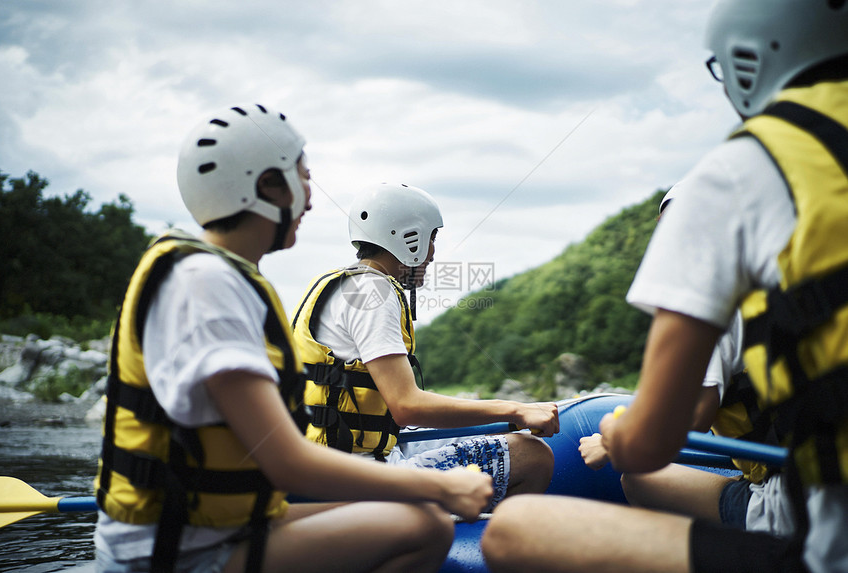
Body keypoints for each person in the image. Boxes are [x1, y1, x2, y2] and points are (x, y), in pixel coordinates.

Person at [483, 1, 848, 571]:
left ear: (748, 59)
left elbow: (670, 427)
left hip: (820, 534)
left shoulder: (741, 174)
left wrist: (613, 431)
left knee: (513, 531)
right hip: (788, 489)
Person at [93, 103, 493, 573]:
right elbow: (286, 462)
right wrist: (441, 488)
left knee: (415, 516)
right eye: (303, 178)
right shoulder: (205, 285)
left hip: (230, 523)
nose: (310, 198)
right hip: (179, 549)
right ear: (265, 186)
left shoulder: (222, 276)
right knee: (426, 524)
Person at [291, 182, 558, 509]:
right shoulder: (375, 294)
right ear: (409, 238)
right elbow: (406, 406)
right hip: (356, 474)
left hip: (323, 462)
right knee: (533, 455)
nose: (432, 253)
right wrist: (514, 408)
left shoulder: (334, 283)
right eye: (431, 238)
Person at [578, 184, 773, 529]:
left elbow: (693, 414)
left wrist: (612, 441)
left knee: (638, 479)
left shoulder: (710, 303)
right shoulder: (787, 285)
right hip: (827, 479)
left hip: (789, 501)